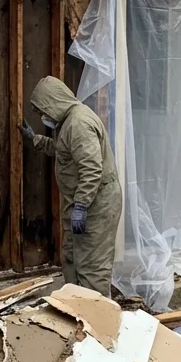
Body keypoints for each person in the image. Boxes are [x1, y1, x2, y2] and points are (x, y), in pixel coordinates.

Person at [20, 76, 122, 297]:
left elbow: (91, 168)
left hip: (96, 204)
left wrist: (81, 206)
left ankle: (98, 322)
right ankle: (76, 312)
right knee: (72, 258)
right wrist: (35, 140)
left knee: (92, 267)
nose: (41, 117)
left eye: (41, 111)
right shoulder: (67, 122)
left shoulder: (79, 124)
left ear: (52, 103)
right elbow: (62, 150)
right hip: (83, 202)